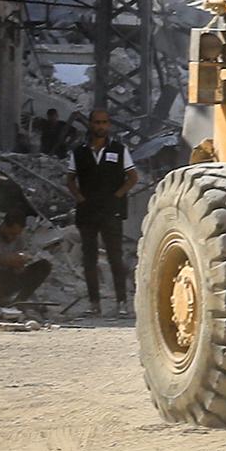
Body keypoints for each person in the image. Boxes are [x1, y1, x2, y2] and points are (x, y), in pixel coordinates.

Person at [69, 107, 136, 317]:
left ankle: (122, 303)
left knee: (115, 258)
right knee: (89, 259)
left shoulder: (118, 150)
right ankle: (94, 304)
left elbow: (133, 177)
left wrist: (117, 197)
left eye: (104, 123)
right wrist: (79, 198)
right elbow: (69, 179)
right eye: (97, 122)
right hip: (87, 212)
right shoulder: (79, 152)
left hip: (111, 212)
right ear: (90, 124)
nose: (100, 126)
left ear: (109, 125)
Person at [0, 211, 52, 307]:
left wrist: (20, 263)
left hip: (7, 278)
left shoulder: (19, 238)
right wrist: (4, 261)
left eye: (16, 235)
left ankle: (20, 300)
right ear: (4, 225)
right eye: (11, 233)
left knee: (44, 265)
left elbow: (20, 254)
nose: (12, 238)